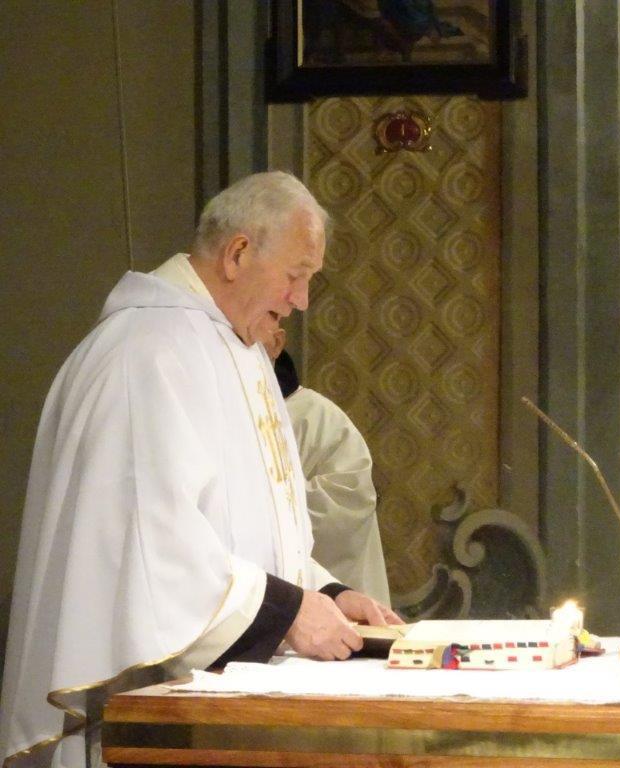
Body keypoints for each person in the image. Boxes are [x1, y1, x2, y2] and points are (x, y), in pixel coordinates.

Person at [0, 172, 402, 768]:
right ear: (238, 254)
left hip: (220, 709)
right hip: (149, 713)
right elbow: (148, 547)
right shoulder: (147, 352)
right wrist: (288, 611)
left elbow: (248, 528)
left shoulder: (236, 350)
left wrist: (325, 595)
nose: (301, 300)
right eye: (296, 275)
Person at [262, 329, 391, 605]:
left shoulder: (318, 416)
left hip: (328, 601)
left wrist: (254, 504)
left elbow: (346, 504)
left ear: (276, 343)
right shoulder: (220, 412)